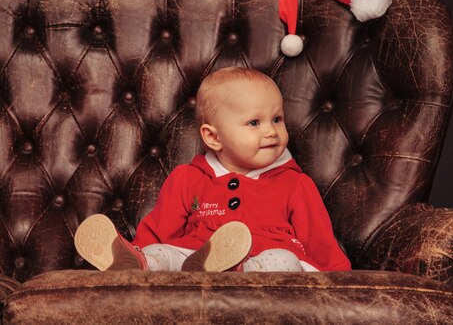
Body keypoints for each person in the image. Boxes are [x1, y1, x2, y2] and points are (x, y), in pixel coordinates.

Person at [75, 67, 351, 273]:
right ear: (213, 138)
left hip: (266, 260)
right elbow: (159, 230)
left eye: (277, 119)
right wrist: (143, 251)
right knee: (163, 253)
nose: (271, 131)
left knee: (284, 261)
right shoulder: (188, 178)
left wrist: (341, 281)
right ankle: (136, 266)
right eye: (254, 123)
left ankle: (235, 273)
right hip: (196, 257)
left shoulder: (294, 183)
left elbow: (320, 241)